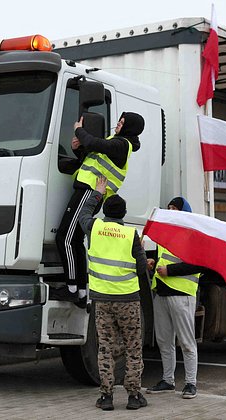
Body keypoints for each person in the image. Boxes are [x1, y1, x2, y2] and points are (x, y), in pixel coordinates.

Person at [55, 112, 145, 305]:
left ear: (129, 128)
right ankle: (80, 291)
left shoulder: (122, 145)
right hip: (88, 190)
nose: (117, 125)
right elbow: (94, 156)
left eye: (121, 123)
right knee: (76, 240)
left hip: (90, 191)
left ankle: (71, 288)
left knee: (65, 238)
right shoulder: (117, 141)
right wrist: (78, 149)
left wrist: (79, 130)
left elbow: (97, 144)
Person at [78, 175, 148, 411]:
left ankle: (106, 397)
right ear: (124, 214)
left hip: (102, 300)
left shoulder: (95, 228)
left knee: (105, 348)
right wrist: (141, 251)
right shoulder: (131, 236)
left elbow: (83, 214)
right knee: (133, 347)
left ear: (105, 211)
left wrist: (98, 192)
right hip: (128, 300)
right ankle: (133, 396)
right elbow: (140, 270)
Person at [146, 197, 203, 399]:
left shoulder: (192, 236)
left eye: (175, 208)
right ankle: (168, 381)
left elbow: (198, 265)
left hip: (181, 295)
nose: (170, 210)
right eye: (169, 207)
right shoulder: (167, 234)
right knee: (164, 341)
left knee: (186, 342)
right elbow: (164, 259)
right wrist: (154, 262)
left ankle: (191, 383)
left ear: (184, 212)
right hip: (161, 293)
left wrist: (168, 270)